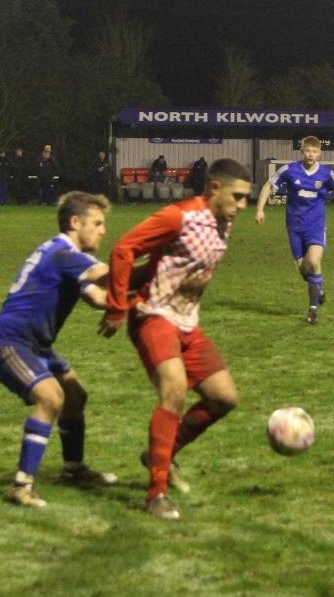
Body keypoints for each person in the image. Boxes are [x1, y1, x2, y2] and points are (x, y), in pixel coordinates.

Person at [98, 159, 252, 520]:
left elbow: (163, 265)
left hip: (187, 323)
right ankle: (156, 494)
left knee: (224, 399)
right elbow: (123, 249)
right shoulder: (179, 216)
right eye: (238, 196)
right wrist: (117, 306)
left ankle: (160, 454)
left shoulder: (224, 224)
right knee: (175, 391)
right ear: (214, 187)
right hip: (153, 315)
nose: (243, 205)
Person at [0, 191, 117, 508]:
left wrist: (128, 304)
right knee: (51, 398)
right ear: (75, 222)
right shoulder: (63, 253)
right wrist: (157, 268)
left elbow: (98, 297)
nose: (103, 231)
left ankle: (73, 470)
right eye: (97, 223)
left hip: (36, 344)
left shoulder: (65, 256)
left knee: (75, 396)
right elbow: (108, 276)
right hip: (11, 342)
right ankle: (22, 487)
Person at [255, 136, 334, 325]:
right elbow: (268, 185)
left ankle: (313, 309)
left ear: (319, 153)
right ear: (302, 151)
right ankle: (318, 288)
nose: (311, 154)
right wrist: (260, 209)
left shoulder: (326, 173)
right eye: (308, 150)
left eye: (314, 151)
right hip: (294, 226)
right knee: (304, 270)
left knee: (314, 261)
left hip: (316, 225)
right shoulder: (289, 170)